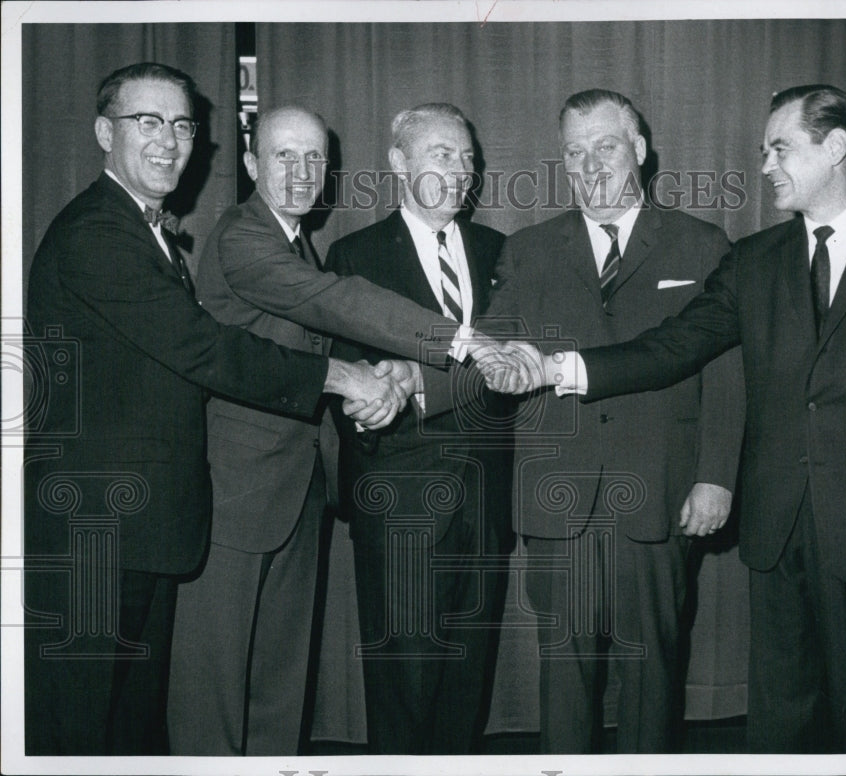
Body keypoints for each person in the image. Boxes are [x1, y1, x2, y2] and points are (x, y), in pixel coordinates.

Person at [511, 84, 846, 753]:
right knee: (781, 721)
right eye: (763, 150)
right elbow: (674, 344)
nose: (764, 164)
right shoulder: (755, 260)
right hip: (776, 532)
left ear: (836, 147)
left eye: (779, 148)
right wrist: (564, 369)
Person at [21, 63, 408, 756]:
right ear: (104, 131)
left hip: (150, 519)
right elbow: (204, 349)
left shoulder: (144, 230)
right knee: (85, 731)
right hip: (103, 526)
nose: (169, 141)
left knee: (133, 727)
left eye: (181, 125)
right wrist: (344, 375)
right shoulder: (98, 233)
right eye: (148, 122)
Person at [165, 104, 518, 755]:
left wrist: (394, 377)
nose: (302, 172)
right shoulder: (249, 238)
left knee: (276, 684)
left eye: (313, 159)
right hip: (244, 490)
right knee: (212, 689)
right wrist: (451, 345)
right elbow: (338, 304)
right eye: (283, 156)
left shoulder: (295, 241)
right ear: (249, 165)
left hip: (303, 489)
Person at [482, 89, 745, 753]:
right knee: (563, 669)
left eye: (606, 145)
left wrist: (715, 477)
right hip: (557, 496)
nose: (591, 163)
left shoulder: (701, 244)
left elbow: (725, 372)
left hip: (659, 492)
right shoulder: (528, 249)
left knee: (653, 664)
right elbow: (491, 354)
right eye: (575, 150)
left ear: (639, 149)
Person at [326, 103, 512, 754]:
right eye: (442, 154)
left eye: (467, 157)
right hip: (399, 502)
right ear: (399, 163)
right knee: (403, 680)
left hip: (486, 496)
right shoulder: (353, 257)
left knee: (469, 673)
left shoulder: (498, 252)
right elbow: (343, 385)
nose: (460, 171)